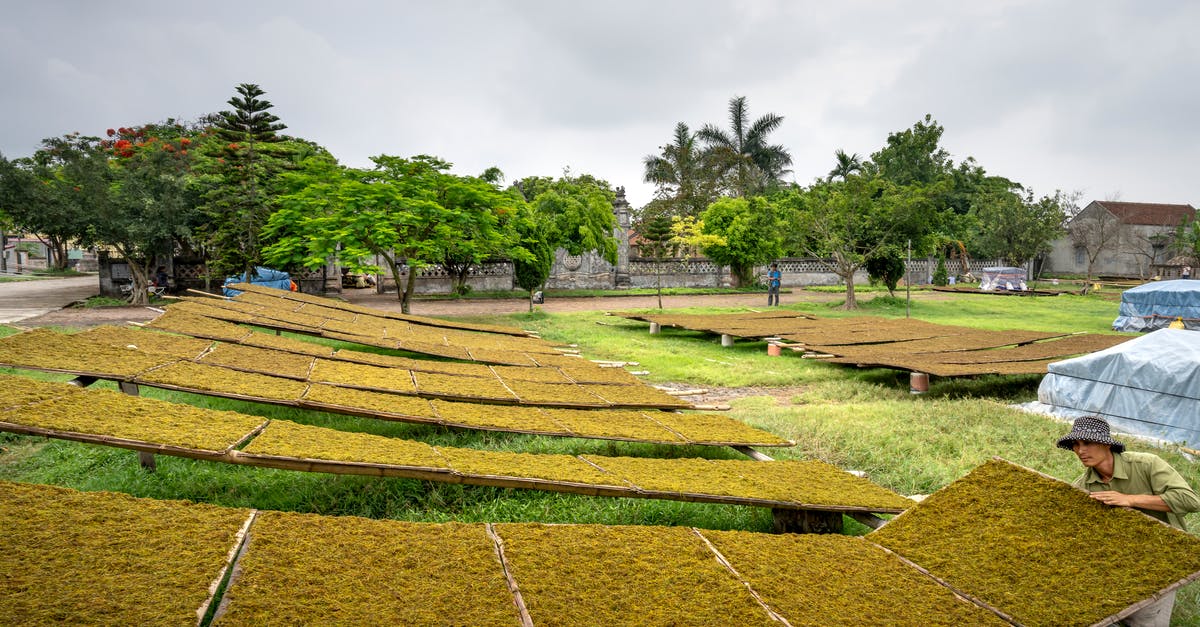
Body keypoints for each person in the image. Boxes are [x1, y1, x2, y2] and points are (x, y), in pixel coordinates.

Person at [1057, 415, 1200, 625]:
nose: (1080, 451)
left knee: (1146, 620)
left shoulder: (1146, 464)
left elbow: (1190, 501)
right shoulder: (1084, 486)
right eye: (1076, 445)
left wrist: (1130, 500)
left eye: (1087, 443)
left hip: (1164, 557)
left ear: (1106, 444)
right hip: (1118, 559)